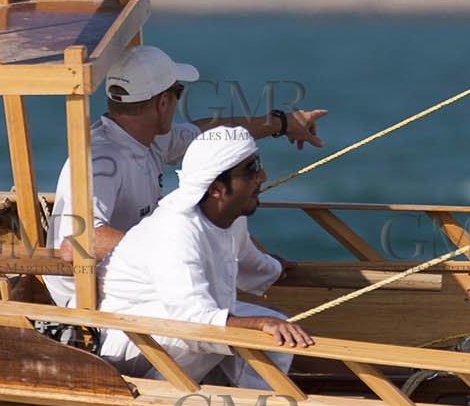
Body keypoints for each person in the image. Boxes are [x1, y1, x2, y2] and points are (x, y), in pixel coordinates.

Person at [43, 45, 329, 306]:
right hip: (89, 298)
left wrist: (282, 123)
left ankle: (259, 270)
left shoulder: (146, 137)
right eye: (178, 92)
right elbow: (78, 242)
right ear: (163, 102)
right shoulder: (102, 160)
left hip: (134, 276)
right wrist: (182, 255)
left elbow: (212, 135)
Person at [96, 127, 314, 388]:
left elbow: (249, 262)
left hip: (171, 324)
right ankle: (163, 398)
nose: (263, 176)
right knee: (213, 334)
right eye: (251, 169)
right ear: (216, 188)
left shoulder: (229, 217)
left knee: (279, 333)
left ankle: (258, 403)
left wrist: (277, 268)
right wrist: (259, 323)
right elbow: (193, 321)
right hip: (126, 335)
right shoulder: (175, 231)